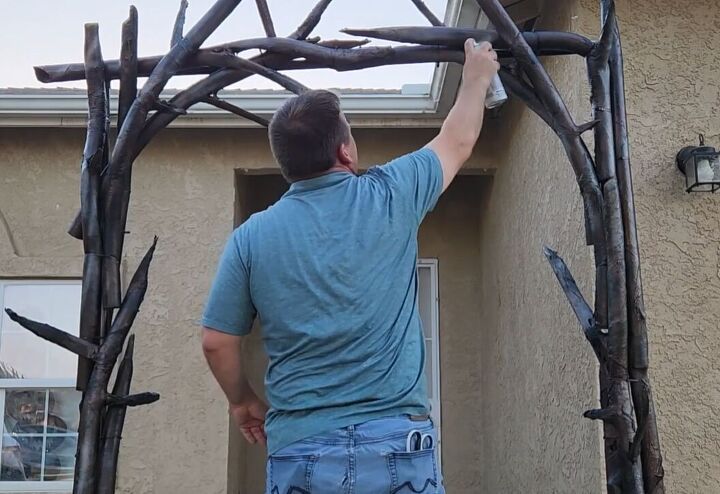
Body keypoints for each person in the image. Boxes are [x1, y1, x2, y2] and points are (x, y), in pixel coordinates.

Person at [202, 40, 500, 494]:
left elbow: (217, 342)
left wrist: (242, 401)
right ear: (345, 152)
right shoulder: (390, 195)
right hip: (397, 443)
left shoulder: (251, 238)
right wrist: (478, 74)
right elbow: (457, 139)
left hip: (300, 448)